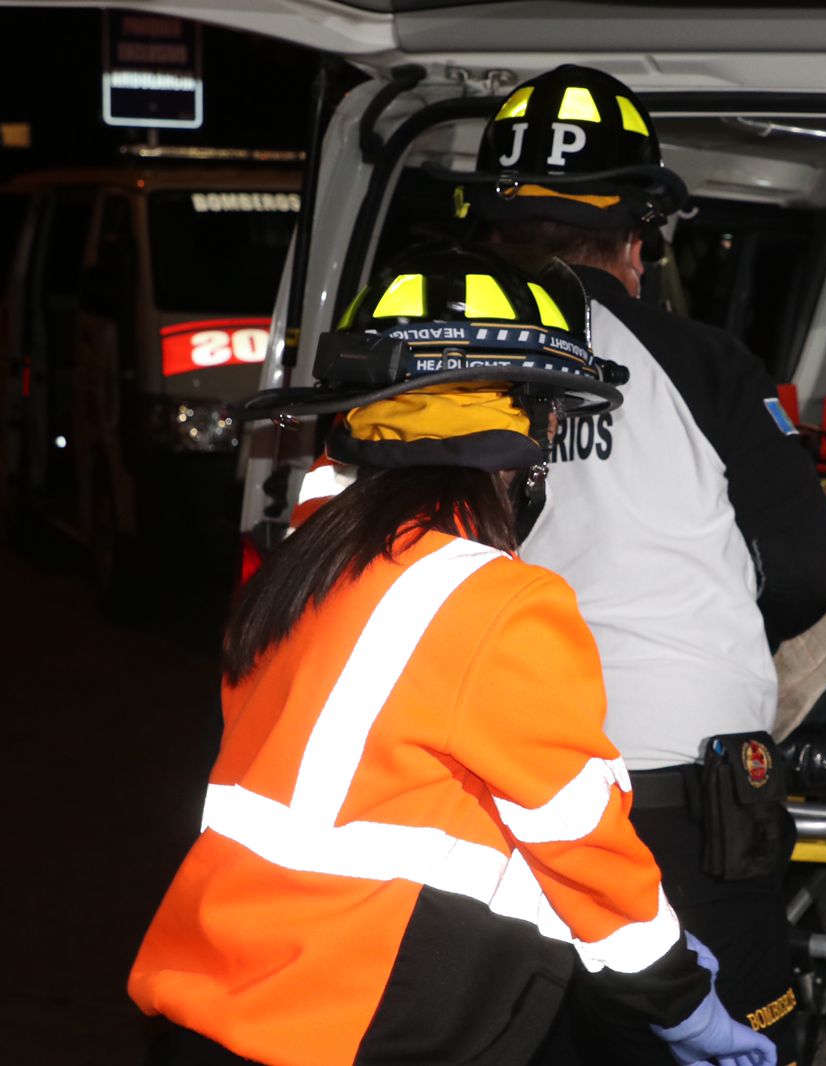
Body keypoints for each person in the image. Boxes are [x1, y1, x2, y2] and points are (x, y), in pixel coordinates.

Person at [127, 246, 774, 1066]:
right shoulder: (499, 603)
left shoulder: (308, 568)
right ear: (516, 434)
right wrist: (677, 998)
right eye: (546, 422)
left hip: (221, 1004)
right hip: (356, 1026)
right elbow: (582, 844)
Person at [466, 66, 826, 1063]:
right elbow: (815, 571)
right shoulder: (703, 363)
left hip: (495, 795)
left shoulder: (443, 368)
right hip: (688, 799)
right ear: (638, 238)